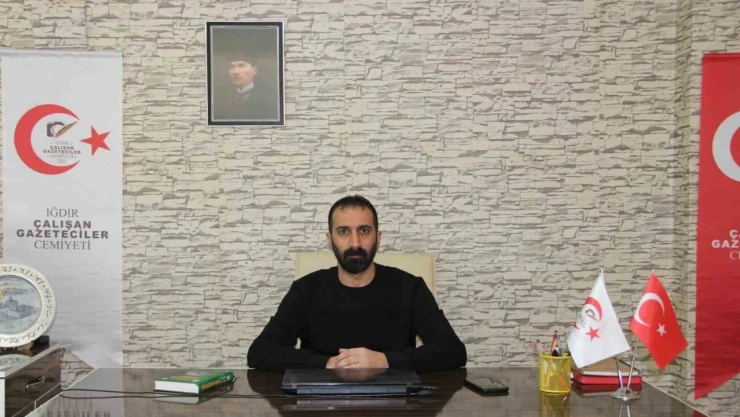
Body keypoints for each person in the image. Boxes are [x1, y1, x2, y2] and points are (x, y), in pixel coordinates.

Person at [247, 195, 467, 372]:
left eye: (364, 231)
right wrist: (326, 363)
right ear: (329, 239)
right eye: (343, 231)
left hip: (396, 401)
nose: (355, 243)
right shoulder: (305, 290)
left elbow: (453, 351)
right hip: (321, 401)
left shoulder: (411, 288)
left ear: (378, 238)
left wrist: (385, 360)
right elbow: (260, 352)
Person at [213, 49, 278, 121]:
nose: (235, 72)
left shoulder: (269, 97)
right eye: (232, 67)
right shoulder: (219, 97)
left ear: (254, 70)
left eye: (241, 66)